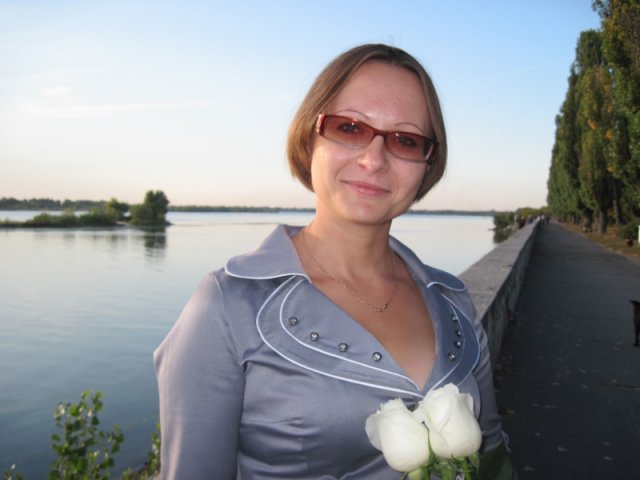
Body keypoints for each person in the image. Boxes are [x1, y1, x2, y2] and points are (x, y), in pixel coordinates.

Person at [154, 43, 512, 479]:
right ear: (310, 137)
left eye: (405, 139)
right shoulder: (228, 307)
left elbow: (492, 457)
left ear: (426, 163)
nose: (374, 159)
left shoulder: (453, 302)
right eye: (349, 128)